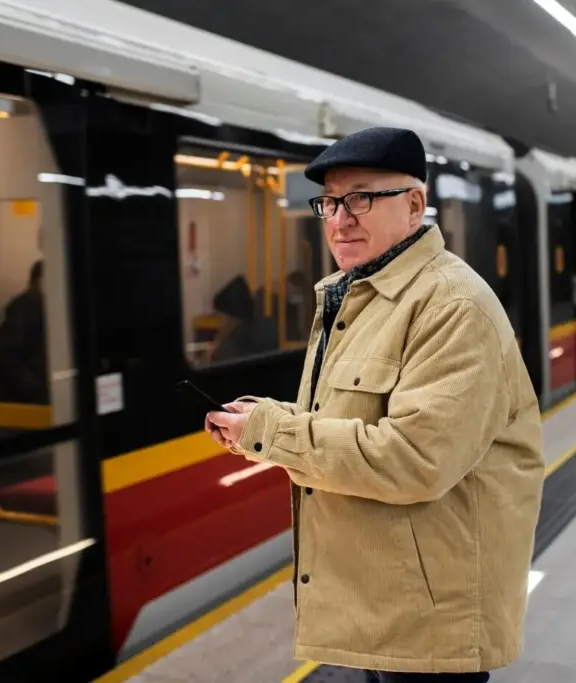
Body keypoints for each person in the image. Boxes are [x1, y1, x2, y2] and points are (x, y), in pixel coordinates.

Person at [206, 127, 545, 682]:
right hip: (382, 597)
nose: (340, 219)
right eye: (329, 203)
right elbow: (348, 423)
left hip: (431, 613)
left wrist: (275, 434)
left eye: (361, 198)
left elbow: (415, 458)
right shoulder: (353, 296)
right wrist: (263, 423)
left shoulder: (453, 305)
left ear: (413, 205)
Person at [0, 259, 48, 404]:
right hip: (30, 393)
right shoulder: (20, 310)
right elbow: (11, 359)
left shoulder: (53, 310)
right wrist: (38, 389)